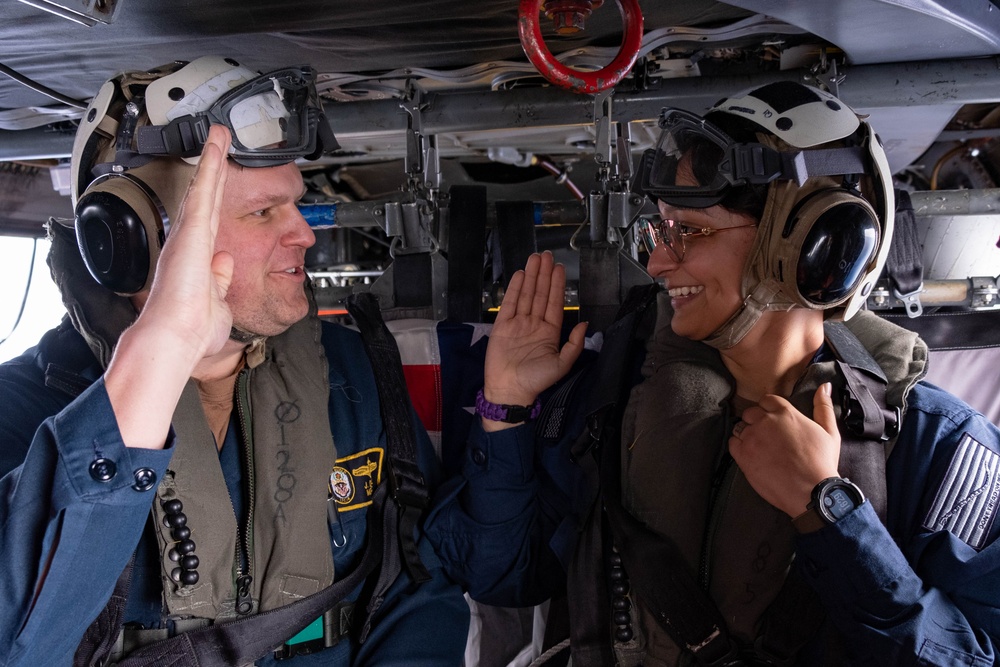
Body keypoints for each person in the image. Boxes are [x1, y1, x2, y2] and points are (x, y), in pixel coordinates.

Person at [427, 81, 1000, 665]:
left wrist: (829, 515)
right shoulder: (617, 398)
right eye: (659, 231)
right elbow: (505, 578)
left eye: (690, 233)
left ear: (812, 245)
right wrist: (505, 407)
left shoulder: (942, 449)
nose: (656, 262)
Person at [0, 56, 469, 666]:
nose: (305, 232)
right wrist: (161, 354)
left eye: (295, 203)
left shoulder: (354, 370)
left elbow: (417, 581)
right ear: (136, 242)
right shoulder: (26, 412)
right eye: (261, 212)